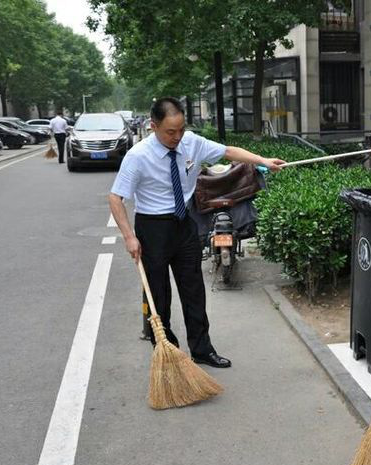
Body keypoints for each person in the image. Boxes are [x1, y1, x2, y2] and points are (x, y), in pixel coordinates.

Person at [109, 97, 285, 368]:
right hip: (153, 227)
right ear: (153, 126)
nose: (177, 137)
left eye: (181, 129)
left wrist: (262, 160)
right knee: (159, 294)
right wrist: (129, 237)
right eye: (170, 131)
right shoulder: (138, 156)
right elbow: (116, 198)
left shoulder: (191, 142)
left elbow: (228, 151)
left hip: (184, 224)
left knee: (193, 290)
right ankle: (166, 350)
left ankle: (202, 349)